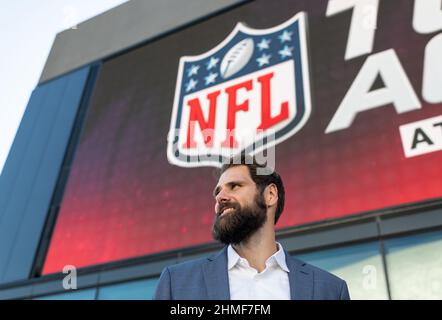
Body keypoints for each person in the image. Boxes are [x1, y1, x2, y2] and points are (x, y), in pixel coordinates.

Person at [154, 154, 350, 300]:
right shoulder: (177, 283)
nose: (220, 197)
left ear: (270, 195)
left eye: (235, 186)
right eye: (218, 191)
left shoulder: (330, 290)